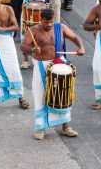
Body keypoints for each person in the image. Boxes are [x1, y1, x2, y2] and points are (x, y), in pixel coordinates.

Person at [20, 9, 85, 140]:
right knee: (41, 96)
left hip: (59, 64)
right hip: (41, 66)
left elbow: (74, 37)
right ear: (40, 20)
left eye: (51, 22)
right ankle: (40, 128)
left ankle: (66, 127)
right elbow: (23, 46)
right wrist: (32, 49)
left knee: (63, 94)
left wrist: (81, 47)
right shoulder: (34, 30)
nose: (49, 25)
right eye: (46, 22)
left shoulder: (60, 27)